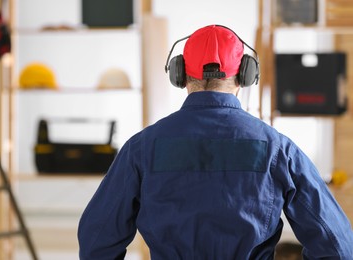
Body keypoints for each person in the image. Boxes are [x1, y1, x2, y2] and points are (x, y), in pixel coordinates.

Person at [78, 24, 353, 259]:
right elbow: (338, 248)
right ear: (245, 75)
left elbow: (96, 240)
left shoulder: (142, 148)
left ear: (180, 74)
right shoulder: (278, 149)